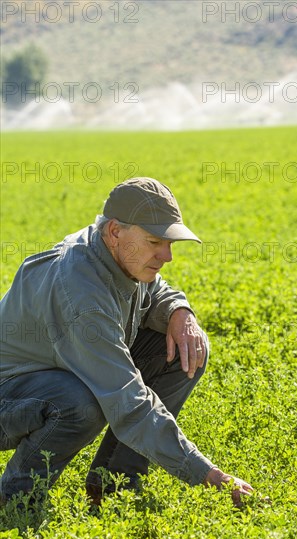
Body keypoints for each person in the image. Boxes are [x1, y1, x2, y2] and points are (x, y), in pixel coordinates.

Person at [0, 177, 253, 507]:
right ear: (115, 232)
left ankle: (112, 486)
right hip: (8, 396)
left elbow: (155, 288)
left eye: (169, 243)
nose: (167, 256)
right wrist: (208, 474)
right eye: (154, 242)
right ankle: (16, 499)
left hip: (44, 375)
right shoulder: (82, 296)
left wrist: (179, 310)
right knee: (78, 403)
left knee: (185, 346)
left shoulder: (114, 254)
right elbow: (129, 402)